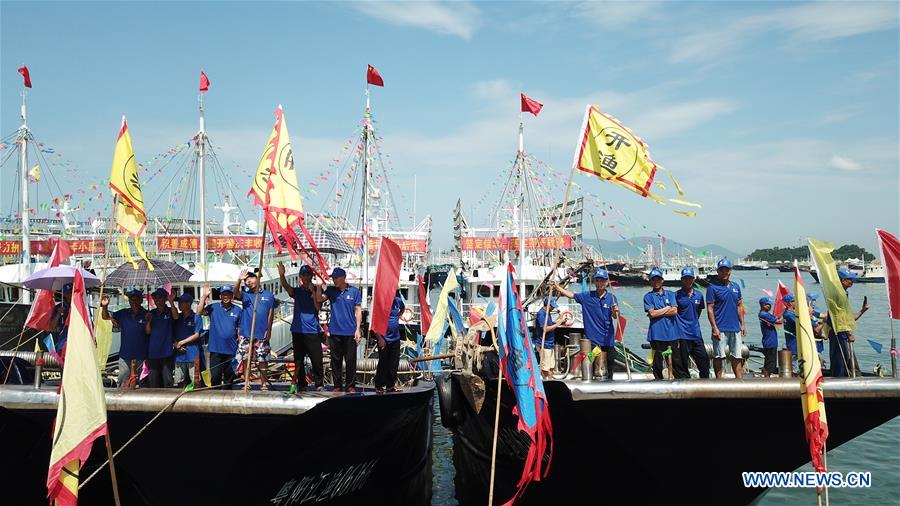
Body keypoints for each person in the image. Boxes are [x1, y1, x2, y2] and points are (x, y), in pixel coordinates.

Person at [553, 268, 619, 380]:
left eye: (602, 281)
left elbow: (615, 316)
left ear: (606, 282)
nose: (599, 283)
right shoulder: (587, 296)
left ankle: (610, 385)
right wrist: (558, 287)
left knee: (610, 364)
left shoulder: (611, 298)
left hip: (608, 340)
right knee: (592, 364)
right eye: (597, 281)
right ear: (594, 282)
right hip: (593, 341)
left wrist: (615, 311)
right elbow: (572, 295)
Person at [278, 262, 325, 393]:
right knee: (298, 360)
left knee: (317, 359)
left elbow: (318, 308)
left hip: (312, 330)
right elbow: (286, 287)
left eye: (308, 275)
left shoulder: (316, 290)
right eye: (303, 275)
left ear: (311, 276)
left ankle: (319, 383)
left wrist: (313, 293)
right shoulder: (297, 291)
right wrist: (282, 275)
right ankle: (301, 383)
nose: (306, 278)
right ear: (300, 277)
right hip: (298, 330)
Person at [234, 269, 276, 390]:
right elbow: (235, 293)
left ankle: (264, 383)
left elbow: (270, 313)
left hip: (262, 333)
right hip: (247, 333)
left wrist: (269, 330)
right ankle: (247, 382)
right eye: (246, 280)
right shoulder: (245, 295)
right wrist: (239, 280)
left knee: (263, 360)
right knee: (246, 359)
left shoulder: (268, 295)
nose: (249, 281)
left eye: (251, 278)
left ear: (257, 279)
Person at [706, 258, 745, 379]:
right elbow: (710, 308)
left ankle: (739, 381)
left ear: (730, 271)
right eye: (721, 270)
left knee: (737, 356)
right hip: (720, 328)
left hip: (735, 328)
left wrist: (742, 324)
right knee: (718, 356)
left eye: (726, 270)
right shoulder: (712, 287)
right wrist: (714, 327)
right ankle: (719, 381)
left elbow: (739, 306)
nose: (724, 272)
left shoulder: (736, 286)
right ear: (718, 272)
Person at [324, 267, 362, 392]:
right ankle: (337, 386)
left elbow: (358, 310)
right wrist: (318, 287)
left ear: (343, 278)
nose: (334, 280)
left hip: (350, 331)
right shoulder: (331, 291)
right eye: (333, 278)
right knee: (335, 360)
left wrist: (357, 329)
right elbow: (319, 299)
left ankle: (351, 385)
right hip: (334, 331)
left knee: (351, 360)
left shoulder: (354, 291)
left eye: (336, 278)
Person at [101, 288, 149, 387]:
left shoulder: (147, 314)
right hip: (125, 356)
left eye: (136, 299)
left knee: (142, 385)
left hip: (142, 356)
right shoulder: (123, 313)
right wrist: (105, 306)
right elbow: (105, 317)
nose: (134, 302)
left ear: (141, 300)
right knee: (123, 384)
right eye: (132, 299)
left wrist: (148, 320)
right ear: (129, 301)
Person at [828, 268, 870, 377]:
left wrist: (862, 310)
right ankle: (838, 384)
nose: (852, 281)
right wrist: (849, 333)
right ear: (842, 280)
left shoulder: (843, 294)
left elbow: (849, 318)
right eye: (849, 279)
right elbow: (839, 317)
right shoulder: (838, 294)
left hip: (841, 331)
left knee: (845, 361)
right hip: (839, 332)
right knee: (840, 362)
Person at [200, 284, 241, 389]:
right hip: (216, 349)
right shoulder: (213, 307)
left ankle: (227, 401)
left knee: (229, 379)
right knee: (215, 377)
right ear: (220, 296)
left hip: (231, 350)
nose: (226, 297)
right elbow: (199, 312)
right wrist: (204, 296)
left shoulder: (238, 310)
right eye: (224, 295)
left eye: (228, 295)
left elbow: (240, 328)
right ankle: (214, 400)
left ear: (232, 296)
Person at [644, 268, 681, 380]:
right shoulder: (648, 296)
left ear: (662, 281)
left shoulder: (670, 294)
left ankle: (678, 383)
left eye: (658, 279)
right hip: (656, 334)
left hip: (672, 333)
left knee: (675, 362)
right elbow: (652, 313)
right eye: (653, 280)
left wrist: (657, 312)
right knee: (657, 363)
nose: (656, 282)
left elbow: (674, 311)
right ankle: (658, 383)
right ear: (650, 282)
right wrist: (667, 308)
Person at [674, 268, 709, 379]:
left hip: (696, 334)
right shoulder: (676, 295)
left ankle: (704, 387)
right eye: (685, 278)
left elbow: (698, 312)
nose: (687, 281)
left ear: (693, 279)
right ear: (682, 280)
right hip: (682, 335)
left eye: (689, 278)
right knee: (683, 366)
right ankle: (685, 388)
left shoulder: (699, 295)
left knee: (704, 364)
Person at [145, 288, 178, 388]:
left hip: (166, 353)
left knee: (168, 382)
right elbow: (148, 331)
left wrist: (171, 301)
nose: (157, 300)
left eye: (160, 297)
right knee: (153, 382)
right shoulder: (151, 313)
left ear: (165, 298)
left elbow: (176, 316)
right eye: (155, 298)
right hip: (153, 353)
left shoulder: (169, 311)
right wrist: (148, 321)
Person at [374, 292, 405, 393]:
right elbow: (375, 323)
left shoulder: (398, 301)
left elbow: (402, 308)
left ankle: (390, 386)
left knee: (394, 364)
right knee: (383, 363)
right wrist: (380, 338)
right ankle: (379, 385)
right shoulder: (381, 303)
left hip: (395, 338)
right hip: (384, 339)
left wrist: (399, 316)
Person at [173, 293, 203, 388]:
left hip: (193, 354)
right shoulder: (177, 318)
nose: (179, 304)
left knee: (195, 380)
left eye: (181, 302)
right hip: (179, 355)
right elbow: (172, 334)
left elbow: (197, 334)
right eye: (179, 302)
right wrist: (176, 344)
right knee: (179, 381)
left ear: (189, 303)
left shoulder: (196, 317)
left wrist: (182, 342)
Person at [533, 297, 563, 379]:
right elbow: (545, 329)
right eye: (552, 306)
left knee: (551, 367)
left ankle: (550, 382)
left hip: (550, 344)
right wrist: (558, 324)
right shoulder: (541, 314)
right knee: (545, 368)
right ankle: (546, 382)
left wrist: (559, 323)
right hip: (544, 344)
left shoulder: (547, 312)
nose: (553, 308)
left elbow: (550, 324)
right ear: (548, 305)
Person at [758, 297, 780, 377]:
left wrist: (782, 312)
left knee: (770, 361)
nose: (770, 306)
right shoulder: (763, 314)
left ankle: (767, 376)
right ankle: (767, 379)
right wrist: (785, 313)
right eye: (768, 305)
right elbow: (778, 321)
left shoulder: (766, 314)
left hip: (771, 340)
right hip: (769, 341)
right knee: (770, 363)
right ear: (763, 305)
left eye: (770, 305)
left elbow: (775, 318)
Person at [49, 283, 73, 354]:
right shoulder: (58, 307)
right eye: (66, 293)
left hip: (77, 343)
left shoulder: (80, 307)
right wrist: (58, 314)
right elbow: (52, 327)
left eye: (70, 293)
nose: (69, 295)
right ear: (64, 294)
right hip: (63, 344)